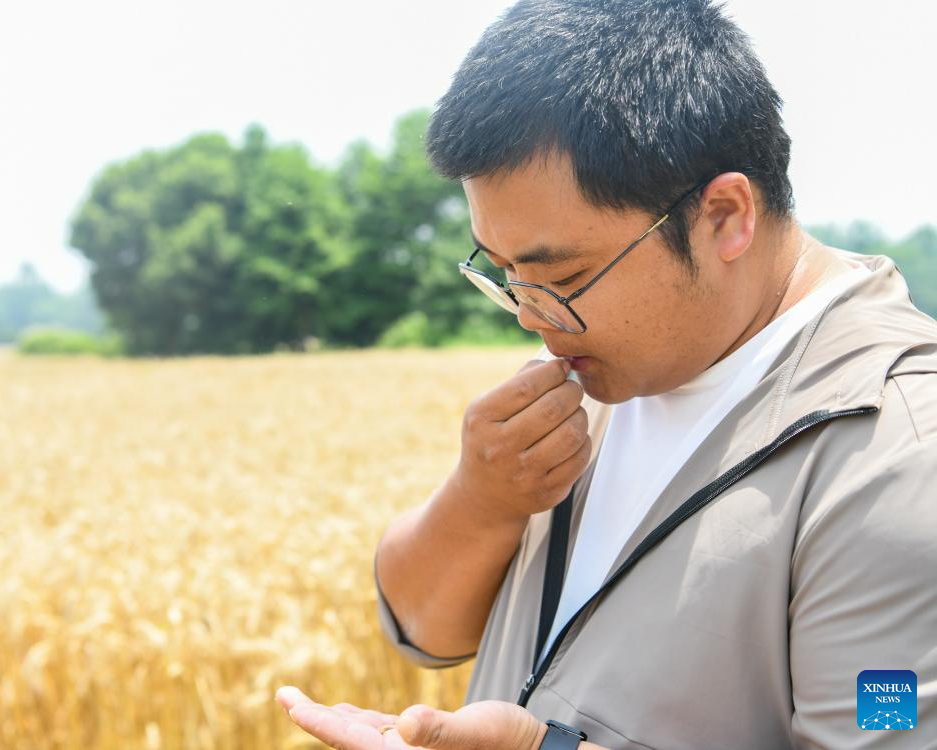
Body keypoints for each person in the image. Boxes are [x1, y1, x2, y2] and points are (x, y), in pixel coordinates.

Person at [277, 0, 937, 747]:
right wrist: (480, 499)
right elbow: (423, 630)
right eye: (504, 273)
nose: (528, 315)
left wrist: (543, 748)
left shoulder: (896, 454)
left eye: (563, 275)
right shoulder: (593, 364)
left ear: (725, 215)